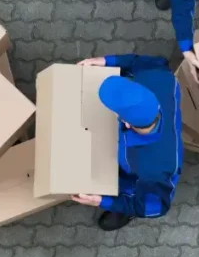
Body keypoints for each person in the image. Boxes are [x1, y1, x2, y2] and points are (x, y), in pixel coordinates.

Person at [71, 54, 182, 231]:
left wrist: (101, 201)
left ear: (126, 122)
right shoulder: (157, 75)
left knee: (127, 189)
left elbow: (156, 208)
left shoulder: (153, 172)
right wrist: (105, 61)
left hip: (140, 180)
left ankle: (123, 209)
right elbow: (142, 61)